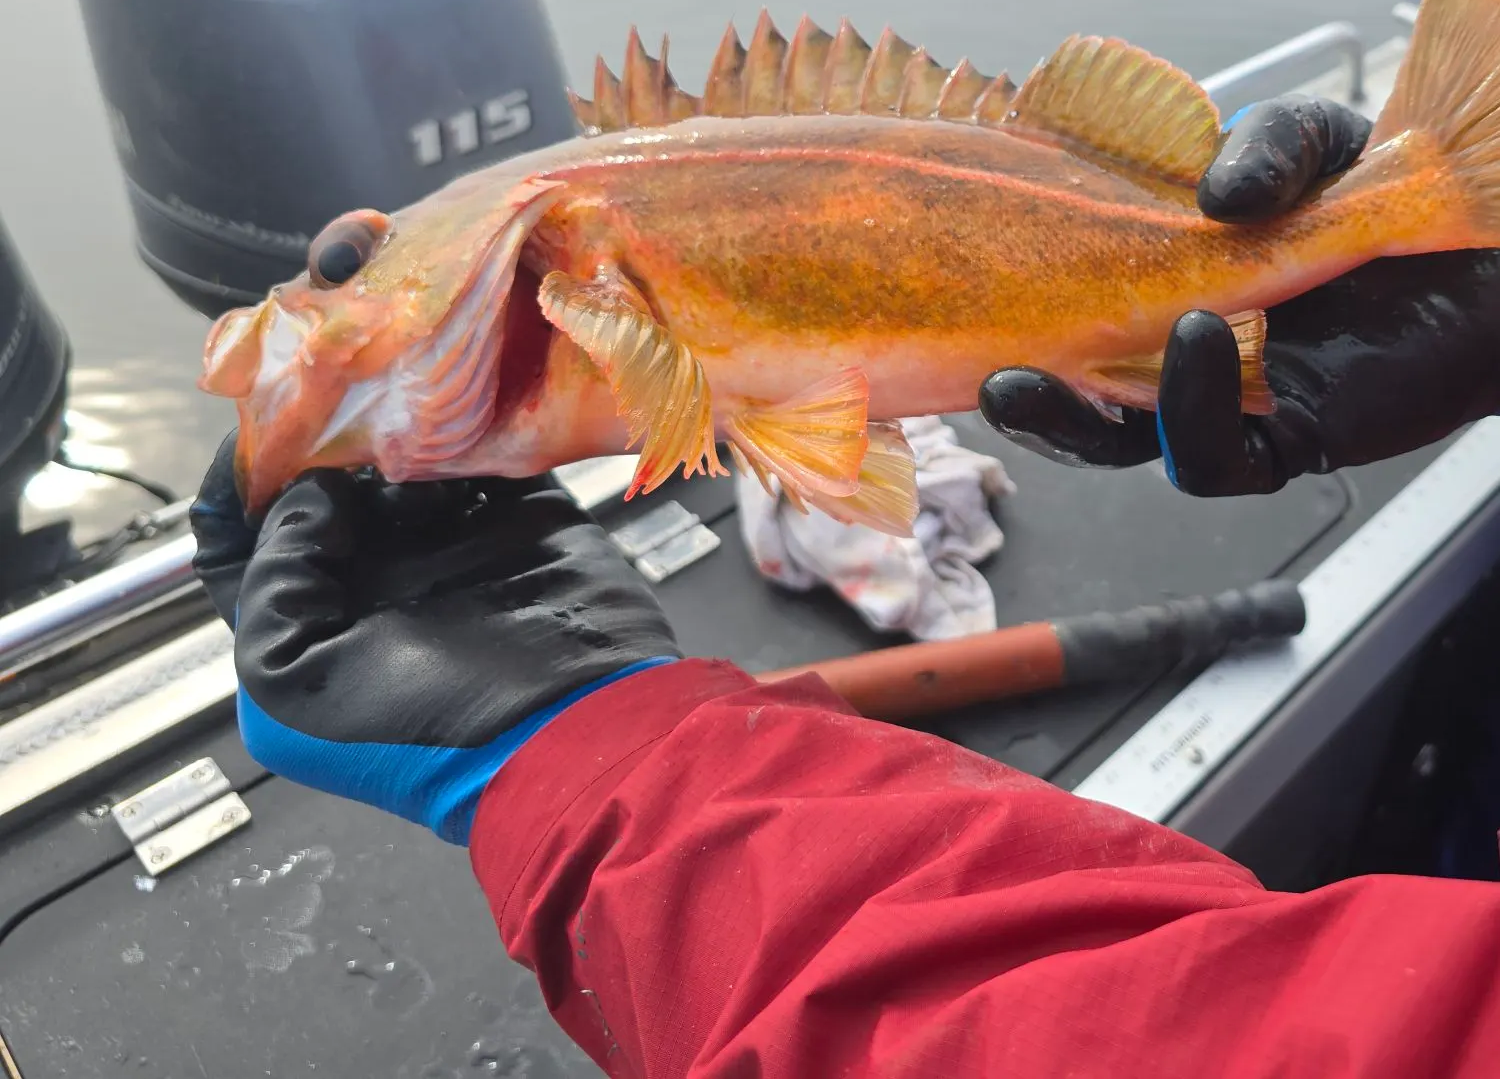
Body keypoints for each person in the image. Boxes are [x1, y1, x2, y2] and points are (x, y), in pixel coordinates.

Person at [191, 95, 1500, 1079]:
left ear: (551, 258)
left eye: (350, 273)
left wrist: (588, 772)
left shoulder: (584, 254)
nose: (311, 306)